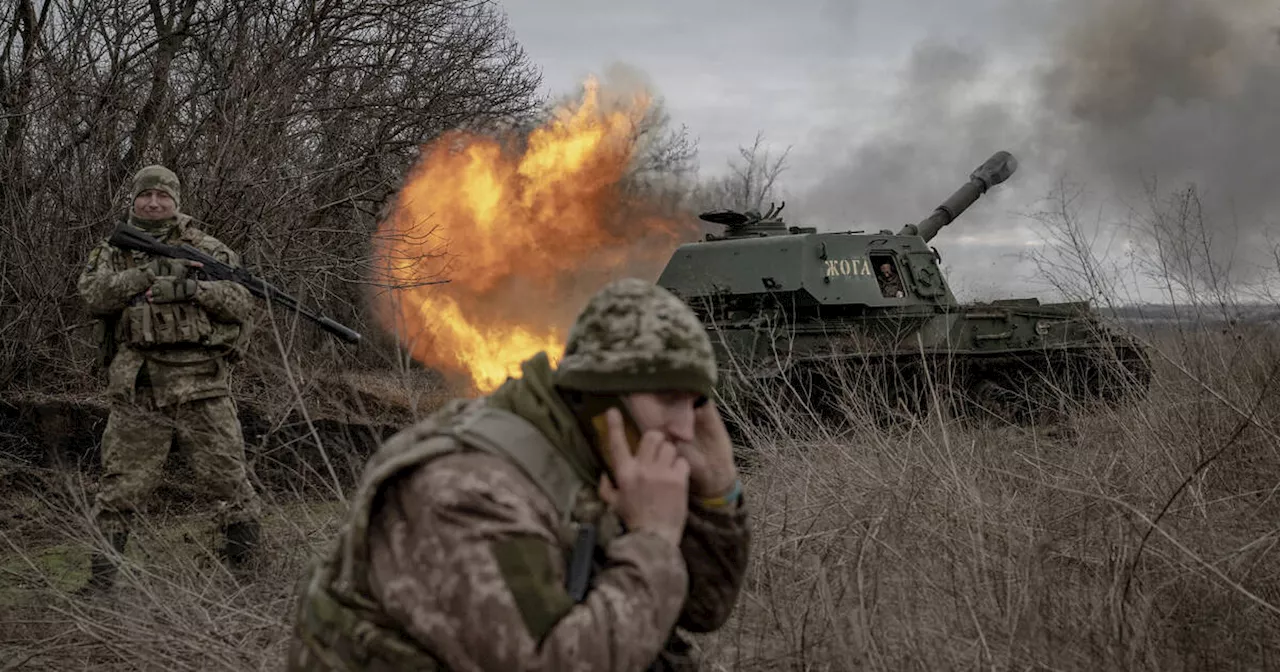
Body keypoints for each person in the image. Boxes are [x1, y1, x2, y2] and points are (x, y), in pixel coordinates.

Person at [287, 278, 752, 671]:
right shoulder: (468, 490)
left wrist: (716, 493)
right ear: (602, 397)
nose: (686, 428)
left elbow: (700, 608)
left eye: (694, 403)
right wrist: (652, 539)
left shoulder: (602, 453)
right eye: (668, 399)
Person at [77, 165, 263, 591]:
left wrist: (192, 289)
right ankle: (99, 586)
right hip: (139, 387)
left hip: (204, 385)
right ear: (135, 200)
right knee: (120, 488)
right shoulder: (113, 250)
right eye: (147, 196)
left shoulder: (206, 247)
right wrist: (146, 276)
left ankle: (250, 580)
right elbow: (92, 296)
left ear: (176, 201)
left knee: (230, 481)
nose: (155, 203)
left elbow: (241, 301)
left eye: (164, 196)